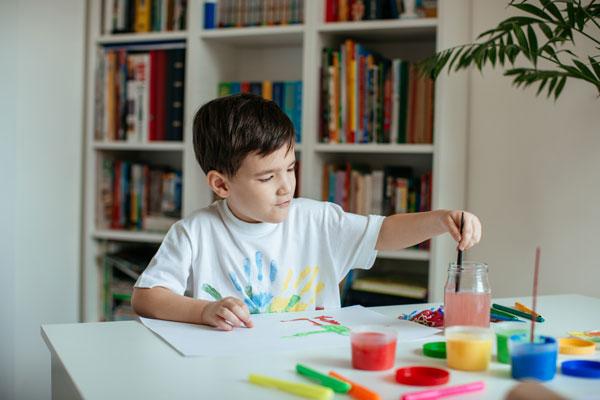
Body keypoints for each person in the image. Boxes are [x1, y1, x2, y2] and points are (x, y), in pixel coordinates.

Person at [131, 93, 482, 331]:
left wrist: (439, 219)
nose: (286, 186)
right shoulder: (196, 232)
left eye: (291, 168)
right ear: (221, 185)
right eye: (268, 177)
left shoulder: (316, 219)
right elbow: (146, 296)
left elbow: (384, 232)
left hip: (312, 362)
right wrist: (203, 310)